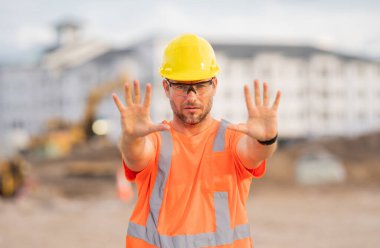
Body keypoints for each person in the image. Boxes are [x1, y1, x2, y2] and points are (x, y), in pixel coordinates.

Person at [112, 34, 281, 248]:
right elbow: (135, 155)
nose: (191, 97)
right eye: (182, 87)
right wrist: (130, 137)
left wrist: (266, 139)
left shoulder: (232, 138)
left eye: (200, 86)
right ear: (166, 88)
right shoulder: (155, 140)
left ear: (214, 85)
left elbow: (256, 152)